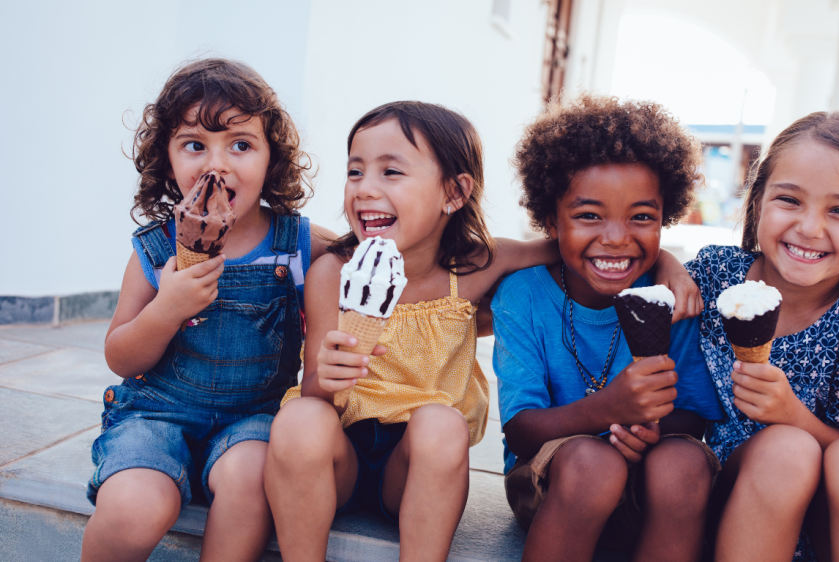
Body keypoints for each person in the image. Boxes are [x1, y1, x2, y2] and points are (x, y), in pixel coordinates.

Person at [263, 100, 700, 561]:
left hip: (416, 465)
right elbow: (314, 392)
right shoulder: (334, 273)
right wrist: (326, 379)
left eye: (390, 172)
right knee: (299, 417)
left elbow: (578, 244)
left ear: (454, 193)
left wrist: (667, 263)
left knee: (441, 423)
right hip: (339, 457)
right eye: (356, 172)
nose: (365, 188)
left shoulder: (476, 267)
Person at [82, 58, 335, 562]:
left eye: (240, 145)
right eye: (195, 144)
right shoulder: (156, 250)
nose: (217, 164)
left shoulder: (297, 245)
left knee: (250, 480)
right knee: (134, 507)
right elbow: (121, 356)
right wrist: (165, 310)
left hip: (253, 420)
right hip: (155, 414)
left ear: (271, 159)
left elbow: (380, 253)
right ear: (168, 159)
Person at [686, 112, 839, 562]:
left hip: (831, 527)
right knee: (785, 451)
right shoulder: (715, 275)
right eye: (790, 200)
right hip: (737, 504)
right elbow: (641, 279)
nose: (810, 228)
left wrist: (792, 415)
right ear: (758, 199)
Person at [493, 94, 725, 562]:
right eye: (588, 215)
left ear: (666, 217)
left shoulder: (672, 299)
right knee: (592, 463)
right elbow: (520, 431)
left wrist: (652, 429)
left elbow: (695, 416)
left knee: (685, 462)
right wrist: (608, 409)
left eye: (642, 216)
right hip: (556, 482)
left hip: (647, 488)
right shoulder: (523, 296)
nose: (617, 237)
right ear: (550, 219)